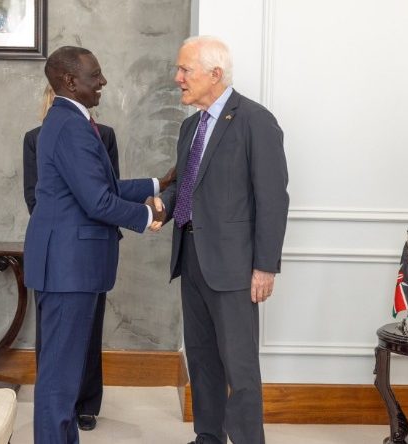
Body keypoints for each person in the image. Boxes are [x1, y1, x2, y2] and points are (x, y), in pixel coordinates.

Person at [24, 45, 166, 444]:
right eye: (96, 75)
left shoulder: (70, 121)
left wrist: (157, 184)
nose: (103, 82)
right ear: (70, 81)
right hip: (68, 267)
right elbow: (98, 201)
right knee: (59, 377)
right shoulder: (70, 126)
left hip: (70, 265)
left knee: (64, 373)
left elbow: (100, 187)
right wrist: (147, 216)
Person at [154, 36, 289, 444]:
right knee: (202, 359)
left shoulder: (255, 120)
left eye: (185, 70)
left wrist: (265, 266)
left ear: (215, 74)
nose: (177, 78)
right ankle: (207, 436)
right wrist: (158, 205)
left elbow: (272, 198)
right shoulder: (190, 125)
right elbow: (186, 185)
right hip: (191, 257)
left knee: (240, 367)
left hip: (234, 265)